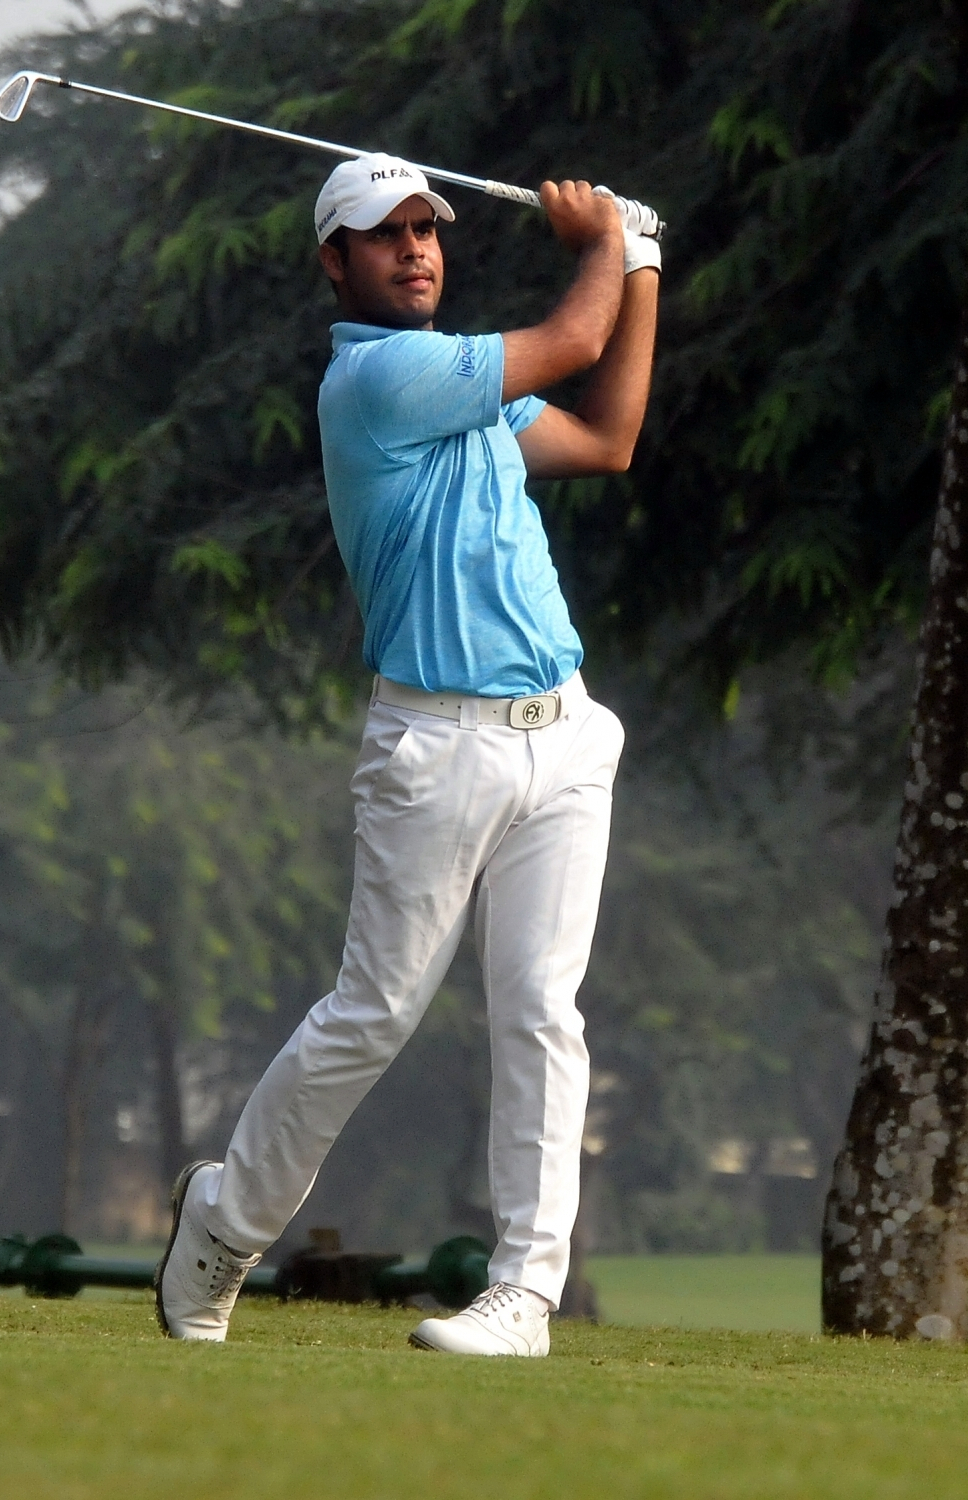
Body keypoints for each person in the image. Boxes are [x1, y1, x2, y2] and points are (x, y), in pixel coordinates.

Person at [156, 152, 660, 1357]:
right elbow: (572, 345)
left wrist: (641, 267)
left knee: (543, 1009)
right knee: (373, 1012)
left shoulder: (471, 391)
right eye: (385, 236)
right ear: (336, 263)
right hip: (434, 746)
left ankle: (525, 1296)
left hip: (564, 735)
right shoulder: (382, 379)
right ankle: (222, 1226)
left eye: (427, 228)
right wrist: (606, 246)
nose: (417, 248)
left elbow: (607, 439)